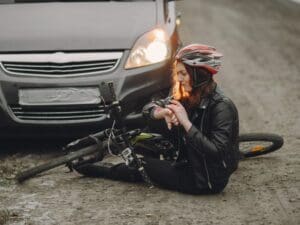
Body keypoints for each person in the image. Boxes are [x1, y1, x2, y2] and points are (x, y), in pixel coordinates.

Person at [74, 44, 239, 195]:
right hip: (189, 158)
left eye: (183, 73)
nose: (179, 79)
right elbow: (149, 108)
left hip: (203, 179)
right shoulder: (189, 94)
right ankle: (150, 153)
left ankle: (98, 170)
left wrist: (185, 122)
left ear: (199, 75)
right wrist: (161, 113)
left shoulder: (222, 107)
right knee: (152, 127)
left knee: (141, 165)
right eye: (178, 73)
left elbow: (216, 152)